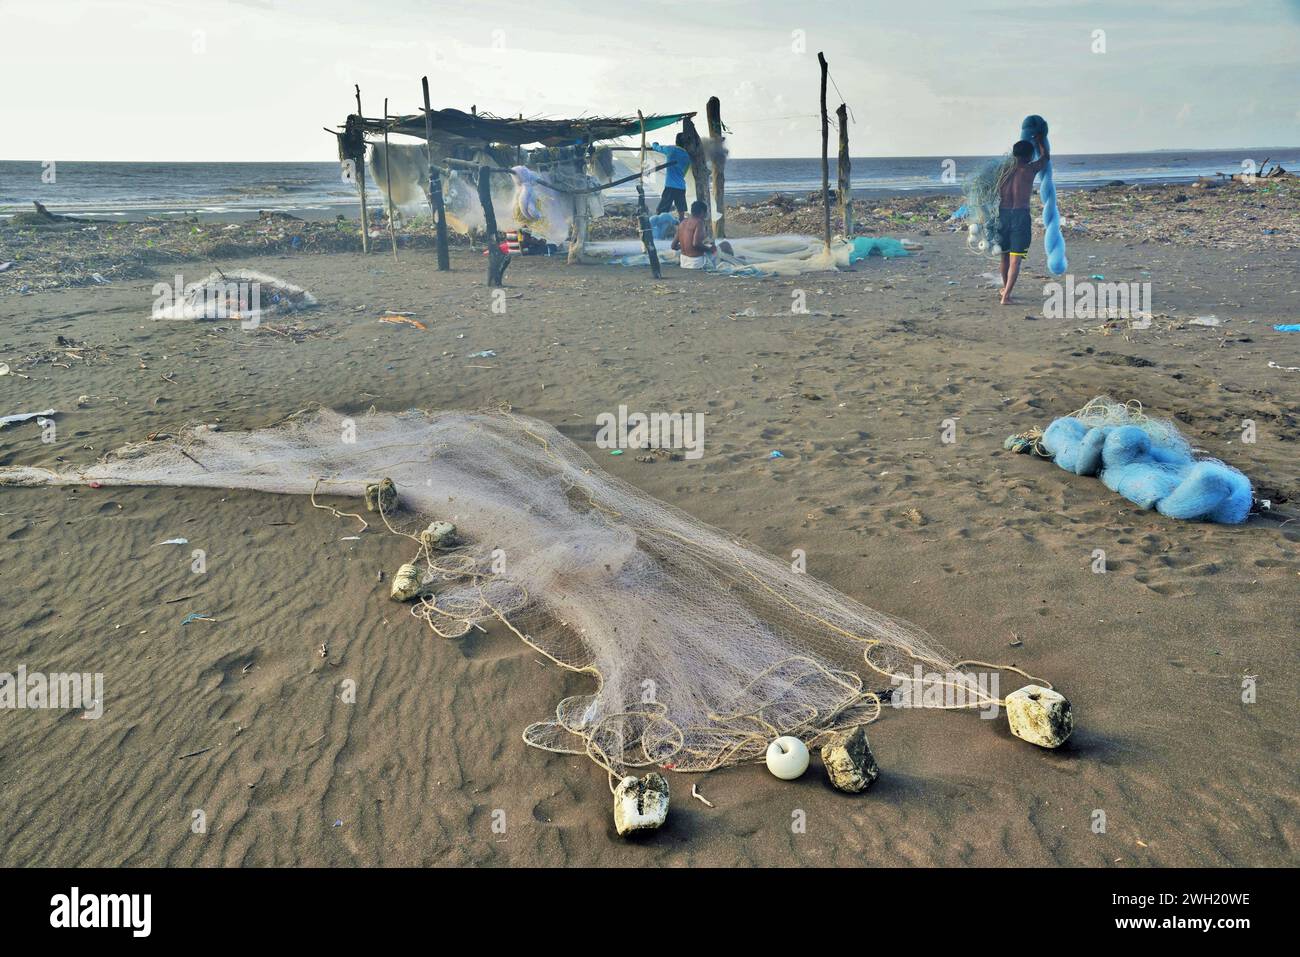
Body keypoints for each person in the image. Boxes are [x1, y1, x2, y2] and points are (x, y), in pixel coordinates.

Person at [996, 133, 1048, 305]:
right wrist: (1040, 141)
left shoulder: (1002, 170)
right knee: (1015, 259)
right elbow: (1045, 158)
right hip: (1020, 215)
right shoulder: (1030, 169)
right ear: (1029, 155)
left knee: (1004, 256)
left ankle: (1005, 289)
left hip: (1002, 214)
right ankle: (1006, 296)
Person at [651, 134, 692, 216]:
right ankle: (682, 224)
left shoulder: (671, 149)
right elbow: (684, 172)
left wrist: (654, 144)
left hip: (670, 186)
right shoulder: (687, 156)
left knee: (661, 210)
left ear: (676, 141)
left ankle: (658, 224)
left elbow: (657, 148)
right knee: (681, 211)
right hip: (681, 186)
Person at [671, 200, 716, 269]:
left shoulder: (682, 222)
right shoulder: (699, 222)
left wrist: (686, 246)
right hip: (696, 262)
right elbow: (696, 244)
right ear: (702, 212)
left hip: (683, 262)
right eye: (705, 212)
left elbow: (673, 246)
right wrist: (709, 249)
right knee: (724, 246)